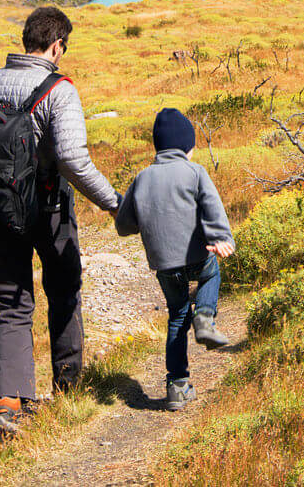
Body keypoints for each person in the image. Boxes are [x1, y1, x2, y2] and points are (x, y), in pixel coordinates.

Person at [0, 6, 119, 435]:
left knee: (12, 303)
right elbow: (72, 158)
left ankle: (9, 404)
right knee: (64, 290)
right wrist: (111, 202)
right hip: (48, 208)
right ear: (57, 45)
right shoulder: (60, 89)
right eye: (62, 48)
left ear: (24, 41)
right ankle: (68, 387)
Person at [114, 107, 235, 411]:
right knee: (210, 273)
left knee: (177, 316)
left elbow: (124, 225)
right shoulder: (195, 172)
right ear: (187, 146)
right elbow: (212, 207)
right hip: (196, 254)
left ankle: (177, 386)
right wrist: (222, 238)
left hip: (164, 264)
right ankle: (205, 317)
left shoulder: (142, 178)